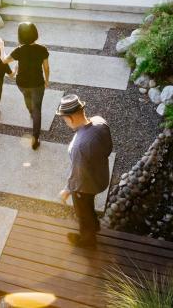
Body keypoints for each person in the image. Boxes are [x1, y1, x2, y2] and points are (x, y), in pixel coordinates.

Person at [56, 94, 113, 249]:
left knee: (83, 213)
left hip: (84, 187)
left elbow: (77, 175)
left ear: (70, 118)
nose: (65, 122)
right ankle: (95, 225)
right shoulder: (100, 122)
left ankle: (87, 241)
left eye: (64, 119)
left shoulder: (79, 146)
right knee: (89, 206)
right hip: (101, 177)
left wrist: (68, 190)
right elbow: (109, 149)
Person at [0, 22, 49, 150]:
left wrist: (2, 48)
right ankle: (36, 137)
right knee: (38, 108)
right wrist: (47, 80)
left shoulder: (19, 50)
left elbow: (4, 60)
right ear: (35, 34)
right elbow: (46, 68)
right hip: (38, 83)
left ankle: (31, 112)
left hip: (22, 83)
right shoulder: (42, 49)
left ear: (20, 36)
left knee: (27, 98)